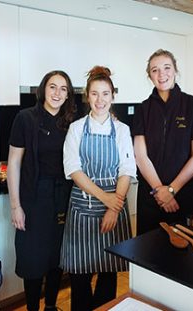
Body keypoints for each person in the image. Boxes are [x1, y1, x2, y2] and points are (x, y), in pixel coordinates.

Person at [60, 66, 135, 311]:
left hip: (115, 205)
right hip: (83, 206)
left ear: (113, 96)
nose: (100, 100)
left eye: (105, 94)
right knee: (80, 275)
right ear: (87, 96)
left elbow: (127, 170)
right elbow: (73, 169)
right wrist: (107, 199)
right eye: (94, 94)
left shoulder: (122, 130)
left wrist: (115, 207)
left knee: (108, 271)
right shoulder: (77, 128)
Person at [7, 70, 76, 311]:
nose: (57, 93)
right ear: (43, 89)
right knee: (33, 258)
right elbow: (14, 162)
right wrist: (16, 205)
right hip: (33, 196)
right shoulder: (25, 118)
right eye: (52, 87)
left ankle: (50, 306)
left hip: (63, 197)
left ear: (68, 95)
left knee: (56, 256)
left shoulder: (71, 123)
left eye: (63, 89)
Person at [132, 49, 193, 235]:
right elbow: (141, 155)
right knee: (147, 253)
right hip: (151, 197)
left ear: (176, 71)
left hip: (184, 195)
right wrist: (159, 191)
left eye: (166, 67)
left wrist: (171, 190)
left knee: (187, 252)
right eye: (155, 70)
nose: (162, 74)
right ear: (150, 76)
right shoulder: (143, 109)